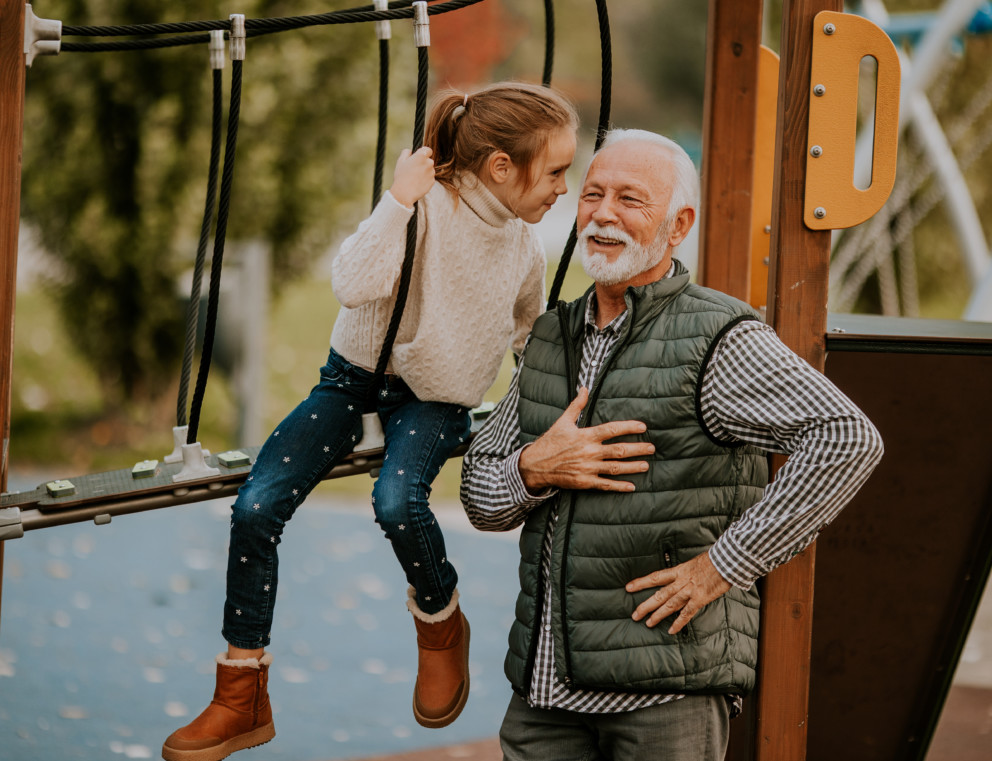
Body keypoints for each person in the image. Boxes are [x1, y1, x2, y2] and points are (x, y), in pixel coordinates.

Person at [161, 81, 579, 761]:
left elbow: (530, 338)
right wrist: (397, 201)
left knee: (397, 498)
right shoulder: (424, 209)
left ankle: (441, 620)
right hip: (354, 376)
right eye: (557, 170)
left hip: (435, 400)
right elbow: (353, 283)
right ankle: (241, 692)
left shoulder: (524, 251)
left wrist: (561, 398)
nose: (565, 185)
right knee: (256, 505)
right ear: (502, 167)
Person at [460, 128, 885, 761]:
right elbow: (479, 497)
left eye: (629, 199)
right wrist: (532, 468)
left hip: (665, 698)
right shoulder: (550, 337)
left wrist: (723, 568)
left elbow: (847, 439)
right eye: (593, 194)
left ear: (677, 224)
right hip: (543, 699)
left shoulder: (718, 335)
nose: (603, 213)